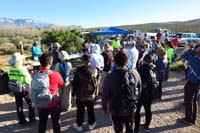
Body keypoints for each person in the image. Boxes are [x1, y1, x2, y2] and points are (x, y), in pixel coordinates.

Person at [102, 52, 142, 133]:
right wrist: (135, 100)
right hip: (130, 107)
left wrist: (105, 108)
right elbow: (139, 88)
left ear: (115, 63)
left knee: (118, 129)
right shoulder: (135, 73)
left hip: (115, 109)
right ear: (127, 62)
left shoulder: (110, 77)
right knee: (130, 128)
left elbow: (104, 93)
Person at [35, 53, 64, 133]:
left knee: (42, 122)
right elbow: (62, 84)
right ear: (51, 62)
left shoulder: (35, 74)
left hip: (41, 103)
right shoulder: (55, 74)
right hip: (54, 103)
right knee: (56, 123)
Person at [7, 53, 36, 125]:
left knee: (19, 104)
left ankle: (22, 120)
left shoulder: (9, 69)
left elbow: (10, 78)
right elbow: (28, 80)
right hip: (24, 88)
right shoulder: (23, 69)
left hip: (15, 88)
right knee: (30, 102)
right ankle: (32, 118)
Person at [72, 54, 98, 131]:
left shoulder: (78, 70)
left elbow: (75, 83)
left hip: (80, 94)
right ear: (90, 60)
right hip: (90, 94)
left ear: (82, 61)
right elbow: (96, 83)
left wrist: (74, 93)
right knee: (90, 109)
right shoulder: (94, 70)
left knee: (80, 110)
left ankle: (79, 125)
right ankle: (91, 124)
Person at [134, 54, 158, 132]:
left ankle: (136, 128)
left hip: (142, 92)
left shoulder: (141, 68)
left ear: (144, 60)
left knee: (137, 110)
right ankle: (146, 125)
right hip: (151, 91)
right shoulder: (154, 67)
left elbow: (137, 80)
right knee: (148, 109)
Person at [181, 44, 200, 125]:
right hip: (197, 83)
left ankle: (188, 119)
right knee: (194, 101)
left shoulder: (196, 60)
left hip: (192, 83)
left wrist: (194, 51)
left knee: (189, 101)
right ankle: (193, 119)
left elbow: (184, 55)